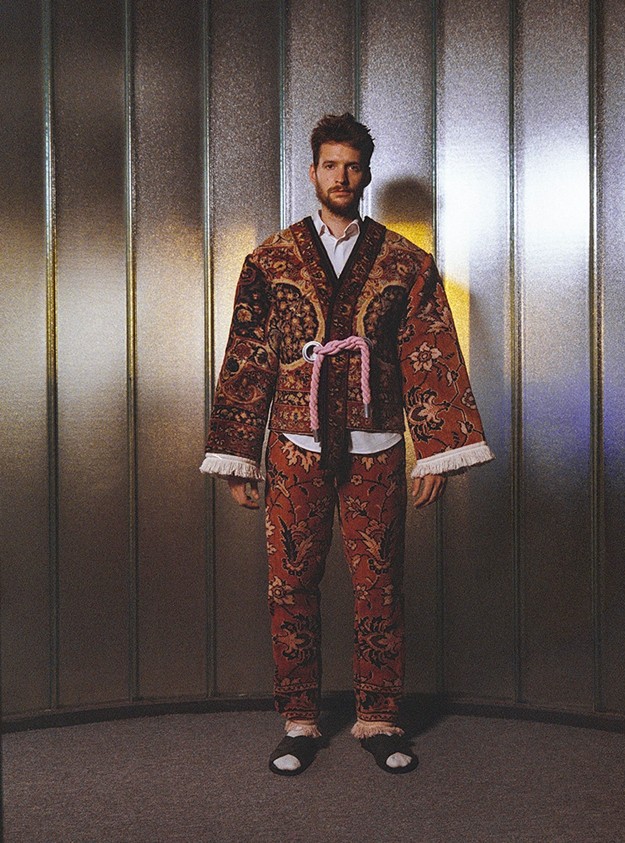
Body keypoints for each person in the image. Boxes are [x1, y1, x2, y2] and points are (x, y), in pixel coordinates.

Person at [200, 113, 493, 776]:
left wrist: (437, 448)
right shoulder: (269, 260)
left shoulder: (405, 262)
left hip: (376, 445)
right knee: (289, 584)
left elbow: (428, 349)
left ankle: (380, 718)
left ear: (365, 174)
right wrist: (238, 454)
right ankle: (299, 721)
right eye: (330, 164)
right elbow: (248, 354)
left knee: (379, 584)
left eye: (352, 166)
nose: (341, 176)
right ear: (313, 172)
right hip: (294, 446)